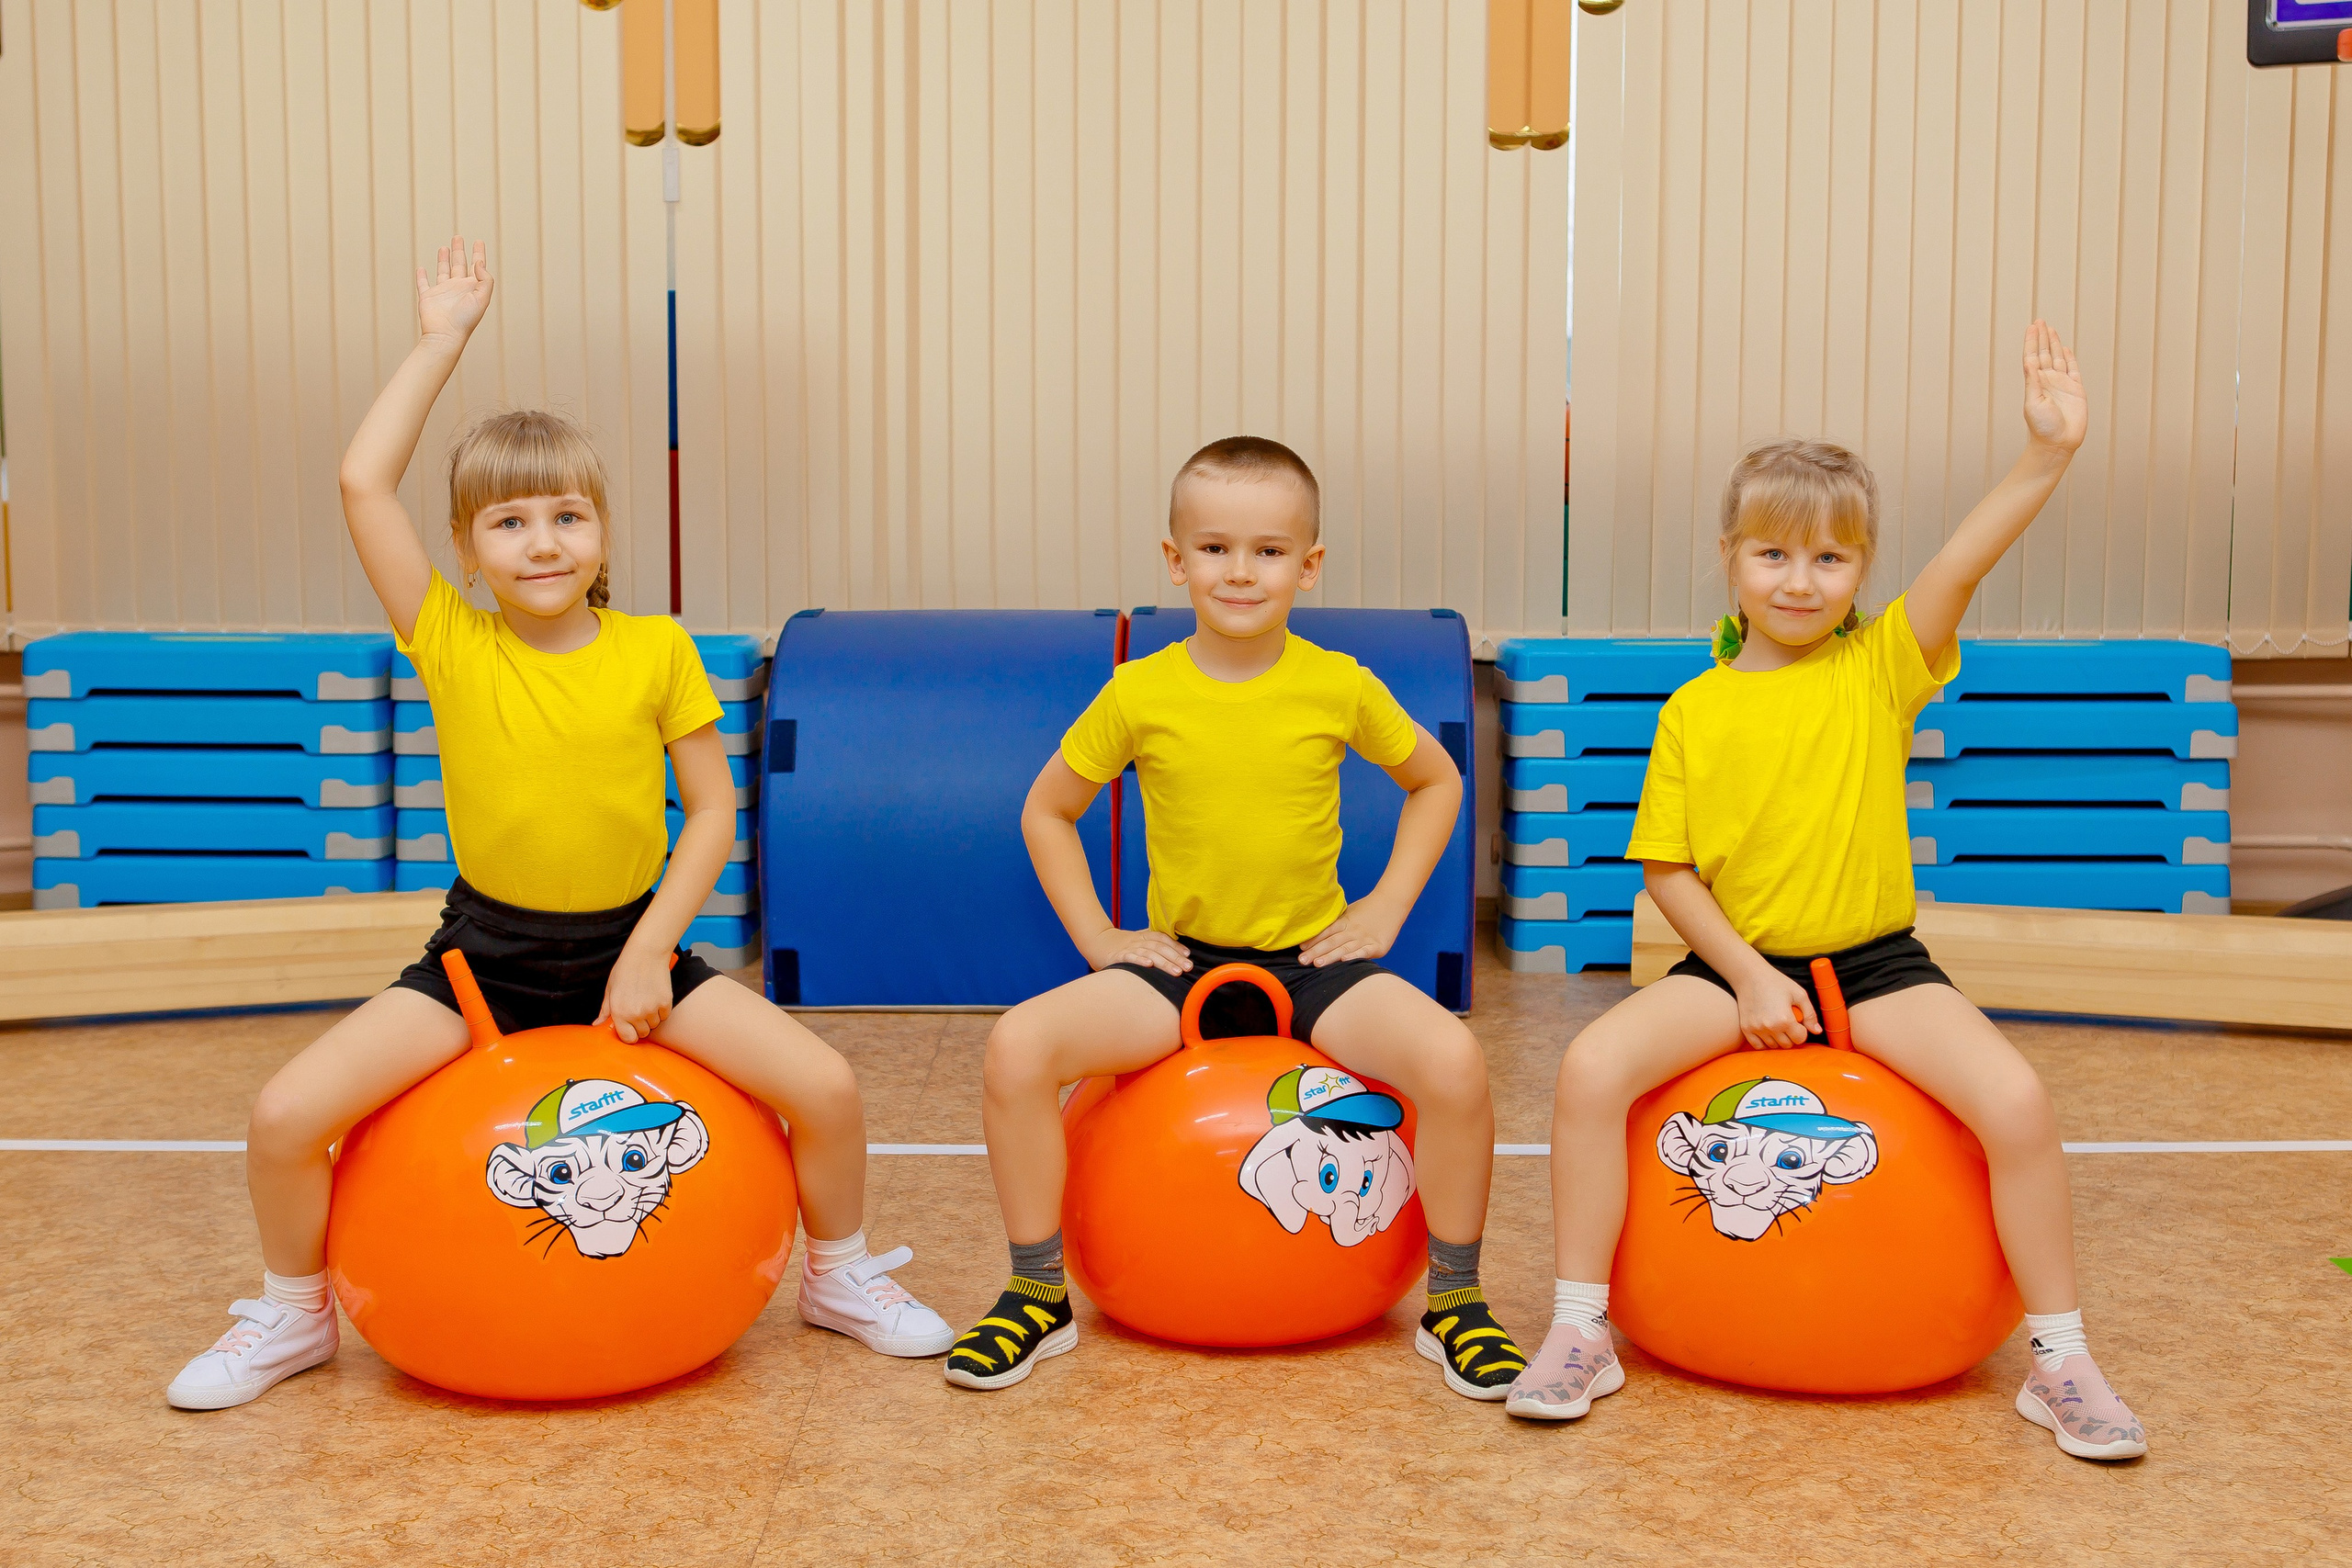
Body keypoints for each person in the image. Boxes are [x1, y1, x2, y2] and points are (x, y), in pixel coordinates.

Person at [166, 236, 951, 1410]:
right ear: (469, 554)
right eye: (508, 523)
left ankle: (837, 1277)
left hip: (636, 951)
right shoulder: (449, 640)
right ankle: (293, 1313)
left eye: (566, 516)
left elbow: (713, 812)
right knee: (285, 1116)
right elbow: (359, 485)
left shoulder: (657, 649)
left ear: (601, 535)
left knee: (828, 1088)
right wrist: (442, 342)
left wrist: (647, 955)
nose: (541, 542)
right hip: (484, 961)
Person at [1505, 322, 2147, 1461]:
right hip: (1732, 965)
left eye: (1829, 561)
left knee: (2016, 1105)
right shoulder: (1694, 708)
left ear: (1860, 570)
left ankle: (2060, 1358)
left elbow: (1961, 560)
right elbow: (1668, 871)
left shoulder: (1880, 665)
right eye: (1773, 556)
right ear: (1729, 557)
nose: (1799, 582)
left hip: (1876, 963)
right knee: (1590, 1069)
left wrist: (2047, 456)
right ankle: (1578, 1329)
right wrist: (1747, 976)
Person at [944, 436, 1526, 1397]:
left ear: (1309, 564)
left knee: (1456, 1065)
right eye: (1214, 548)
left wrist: (1384, 909)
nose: (1240, 571)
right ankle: (1036, 1293)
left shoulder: (1336, 682)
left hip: (1315, 963)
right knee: (1016, 1049)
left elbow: (1436, 781)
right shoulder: (1140, 690)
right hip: (1179, 967)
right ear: (1175, 561)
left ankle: (1457, 1300)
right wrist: (1099, 938)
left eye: (1267, 550)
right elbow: (1047, 810)